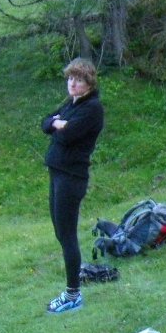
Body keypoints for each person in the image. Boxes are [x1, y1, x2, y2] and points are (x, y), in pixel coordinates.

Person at [41, 57, 104, 313]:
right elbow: (45, 122)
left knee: (67, 235)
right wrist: (57, 122)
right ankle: (76, 272)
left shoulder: (92, 108)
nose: (72, 84)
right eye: (70, 79)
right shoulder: (71, 104)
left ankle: (72, 293)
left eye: (77, 80)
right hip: (57, 173)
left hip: (71, 177)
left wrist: (59, 126)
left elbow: (67, 137)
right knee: (59, 230)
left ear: (88, 83)